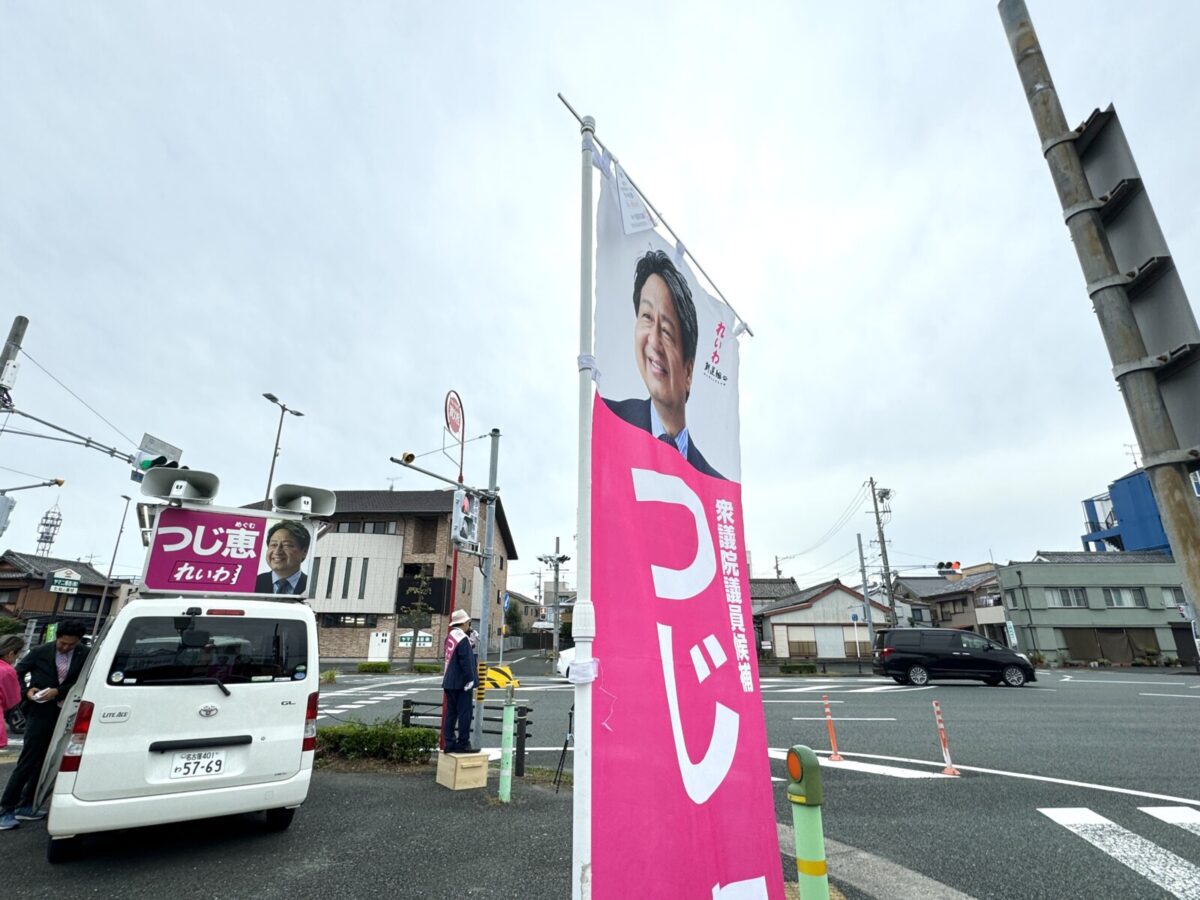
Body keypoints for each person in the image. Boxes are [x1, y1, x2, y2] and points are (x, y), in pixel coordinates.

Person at [604, 249, 724, 480]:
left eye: (667, 331)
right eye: (647, 317)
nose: (654, 340)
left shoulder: (713, 483)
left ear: (688, 372)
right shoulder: (608, 422)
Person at [0, 621, 89, 830]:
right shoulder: (40, 651)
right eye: (63, 643)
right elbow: (18, 673)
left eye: (71, 644)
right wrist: (28, 692)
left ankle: (27, 804)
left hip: (66, 711)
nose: (66, 647)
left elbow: (84, 682)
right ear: (57, 637)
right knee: (29, 760)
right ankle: (6, 808)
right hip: (40, 712)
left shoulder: (85, 654)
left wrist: (59, 691)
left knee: (47, 760)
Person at [441, 608, 477, 754]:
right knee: (465, 713)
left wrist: (471, 642)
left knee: (451, 713)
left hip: (449, 681)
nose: (469, 624)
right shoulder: (462, 638)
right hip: (462, 683)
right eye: (469, 622)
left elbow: (456, 655)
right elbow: (466, 660)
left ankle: (449, 742)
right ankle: (463, 743)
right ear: (464, 623)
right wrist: (471, 679)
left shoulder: (450, 636)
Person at [255, 520, 310, 595]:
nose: (277, 551)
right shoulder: (253, 583)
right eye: (273, 545)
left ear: (304, 552)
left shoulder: (312, 586)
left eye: (286, 545)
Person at [0, 636, 26, 752]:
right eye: (18, 655)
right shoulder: (7, 671)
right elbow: (12, 701)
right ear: (11, 653)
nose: (17, 658)